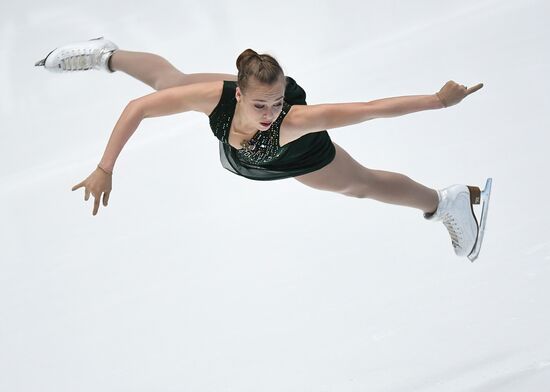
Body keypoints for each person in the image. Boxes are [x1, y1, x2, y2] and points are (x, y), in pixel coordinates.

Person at [35, 37, 492, 261]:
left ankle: (445, 201)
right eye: (260, 103)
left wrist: (436, 101)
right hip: (245, 152)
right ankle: (105, 55)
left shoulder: (293, 123)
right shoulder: (214, 96)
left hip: (290, 158)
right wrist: (105, 167)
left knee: (360, 184)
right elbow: (139, 107)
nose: (270, 111)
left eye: (276, 102)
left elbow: (369, 109)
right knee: (168, 83)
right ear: (236, 93)